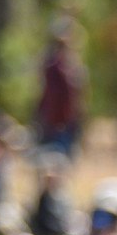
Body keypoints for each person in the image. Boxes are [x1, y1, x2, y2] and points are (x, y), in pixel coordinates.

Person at [35, 18, 87, 156]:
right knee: (56, 155)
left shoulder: (69, 64)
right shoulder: (54, 64)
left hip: (66, 117)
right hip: (56, 117)